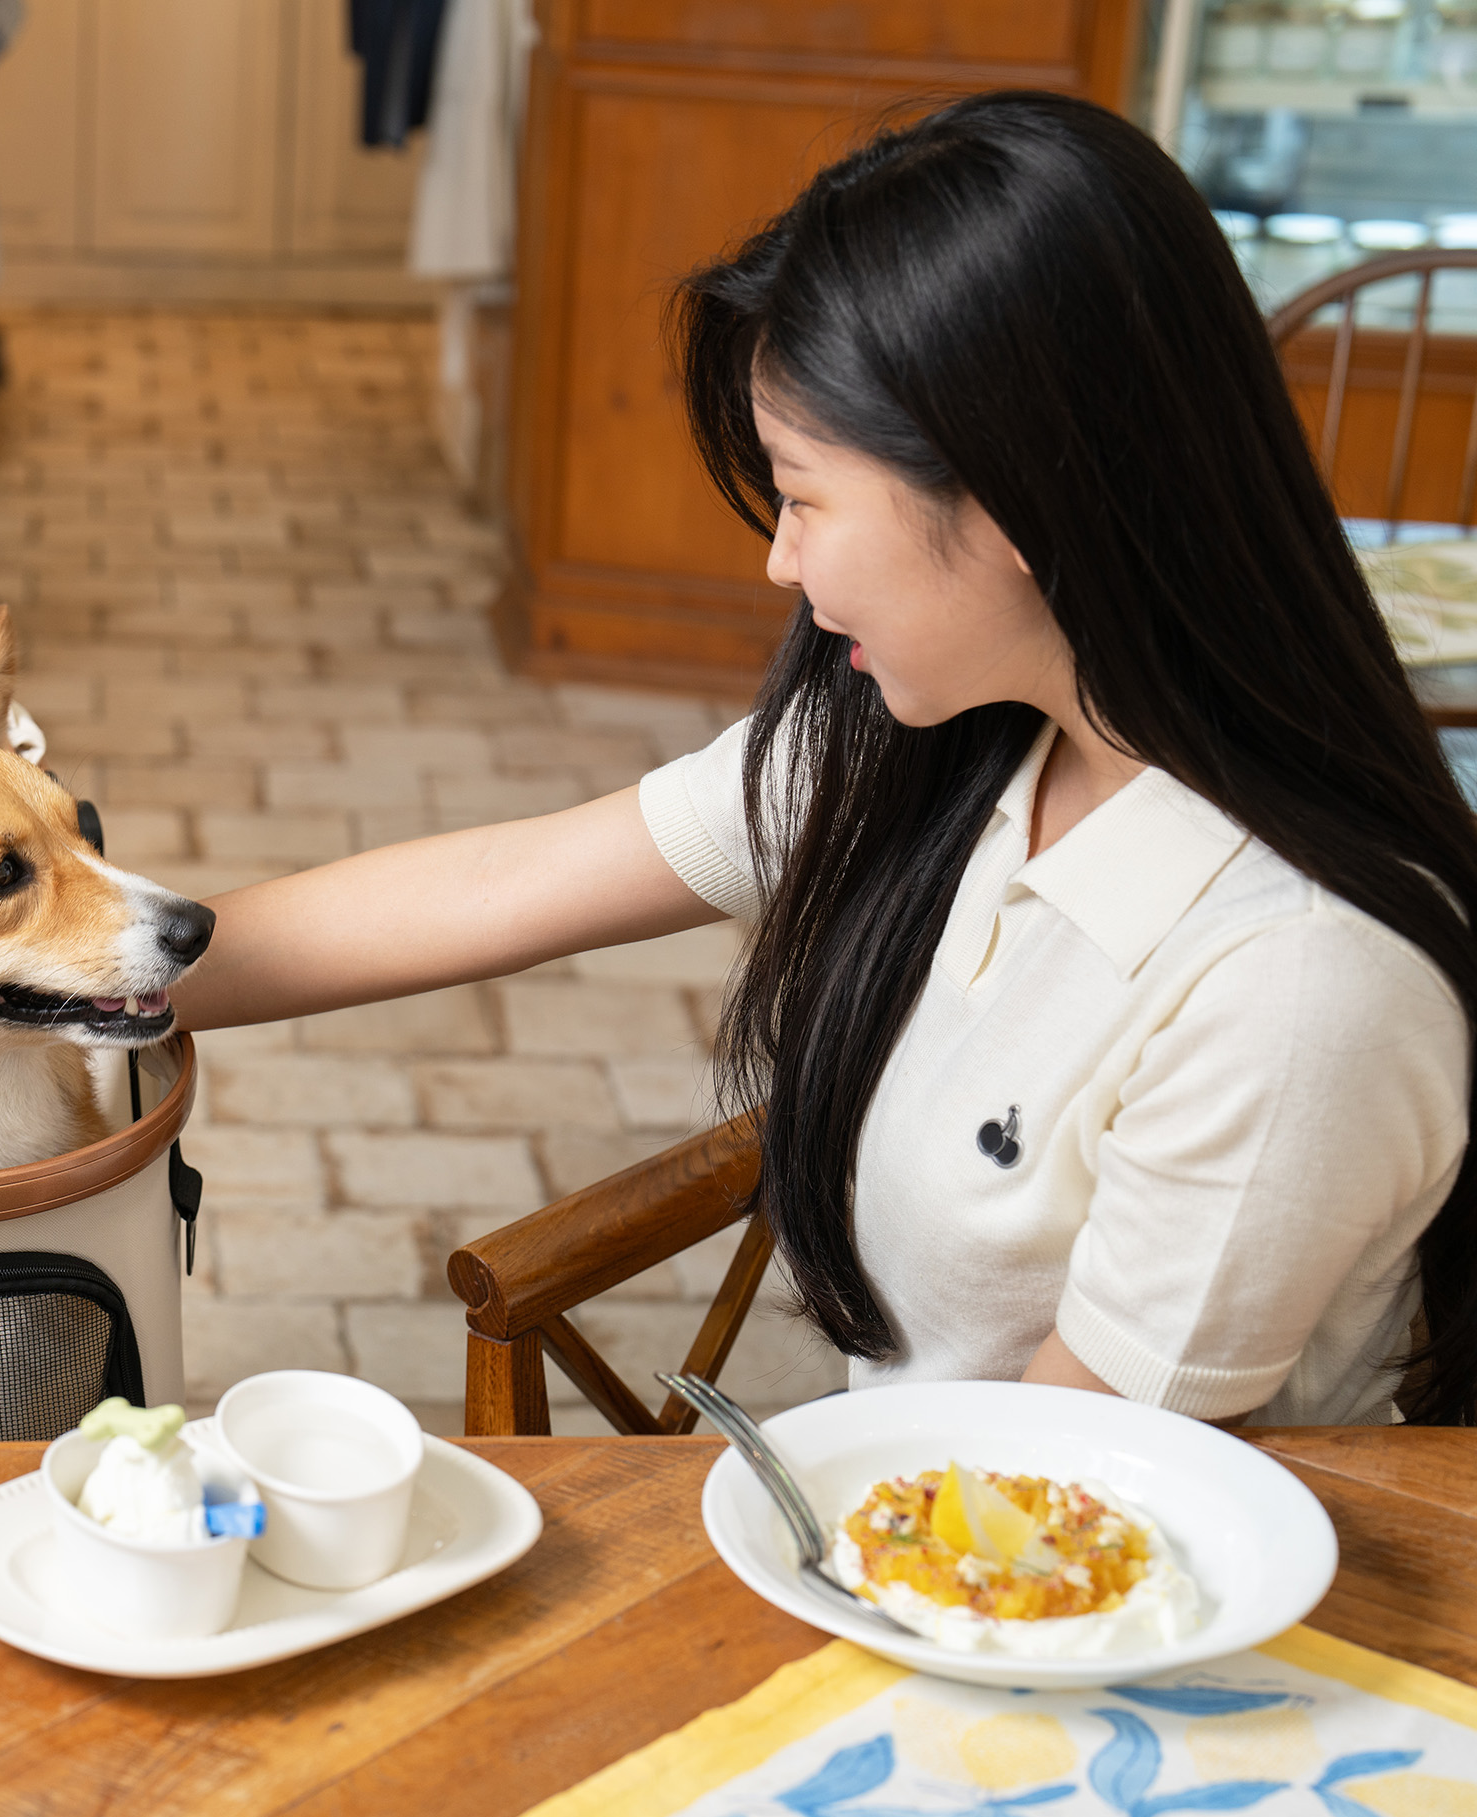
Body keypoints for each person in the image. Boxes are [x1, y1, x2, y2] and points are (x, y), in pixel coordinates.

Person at [167, 90, 1477, 1427]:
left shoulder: (1301, 987)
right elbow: (498, 886)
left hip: (1073, 1593)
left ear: (1018, 497)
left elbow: (1065, 1516)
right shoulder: (945, 746)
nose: (779, 562)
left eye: (801, 495)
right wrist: (81, 980)